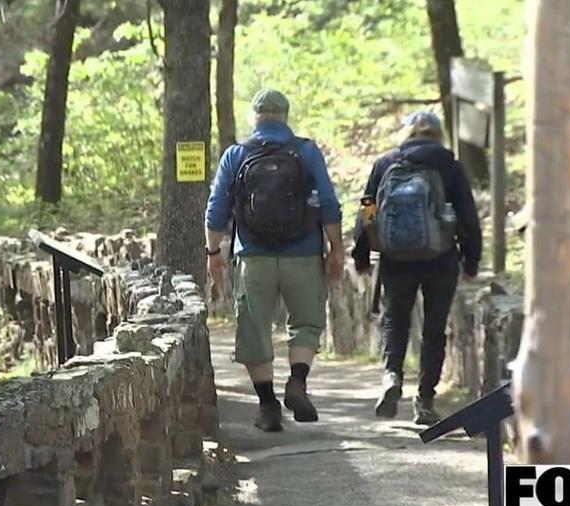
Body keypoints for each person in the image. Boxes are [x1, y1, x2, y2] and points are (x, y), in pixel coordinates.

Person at [205, 89, 345, 432]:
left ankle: (267, 407)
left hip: (253, 256)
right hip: (303, 253)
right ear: (285, 115)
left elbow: (216, 210)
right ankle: (297, 381)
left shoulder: (236, 154)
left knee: (254, 329)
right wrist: (336, 248)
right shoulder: (307, 151)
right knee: (306, 323)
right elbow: (328, 203)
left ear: (256, 117)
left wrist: (213, 254)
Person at [352, 110, 482, 425]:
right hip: (440, 258)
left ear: (407, 133)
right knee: (434, 330)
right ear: (437, 134)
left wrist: (362, 251)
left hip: (396, 257)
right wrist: (471, 259)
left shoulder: (386, 163)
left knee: (395, 321)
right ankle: (424, 400)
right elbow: (466, 212)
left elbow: (367, 206)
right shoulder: (448, 165)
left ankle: (392, 376)